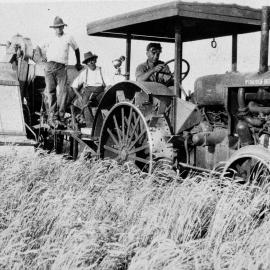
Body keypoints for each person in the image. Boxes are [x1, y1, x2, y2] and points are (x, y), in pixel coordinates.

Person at [37, 16, 82, 128]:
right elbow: (37, 47)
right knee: (51, 91)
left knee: (63, 91)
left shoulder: (68, 37)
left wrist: (78, 63)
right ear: (54, 28)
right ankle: (52, 116)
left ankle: (61, 116)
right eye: (56, 27)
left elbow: (76, 49)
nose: (59, 29)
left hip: (61, 67)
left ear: (63, 27)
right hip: (49, 66)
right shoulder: (49, 38)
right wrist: (42, 57)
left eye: (60, 27)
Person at [71, 51, 105, 129]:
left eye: (92, 60)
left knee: (107, 101)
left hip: (100, 91)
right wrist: (79, 96)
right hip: (88, 92)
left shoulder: (101, 70)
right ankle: (91, 127)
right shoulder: (84, 73)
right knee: (85, 102)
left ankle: (103, 125)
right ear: (86, 63)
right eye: (88, 61)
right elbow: (74, 86)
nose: (91, 62)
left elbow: (108, 83)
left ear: (95, 60)